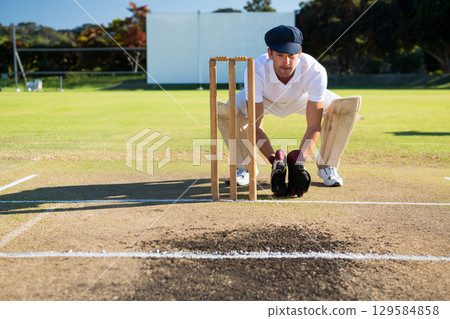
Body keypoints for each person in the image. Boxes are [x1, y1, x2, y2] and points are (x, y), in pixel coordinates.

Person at [217, 25, 361, 197]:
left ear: (300, 53)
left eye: (291, 56)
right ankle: (245, 167)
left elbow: (314, 126)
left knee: (345, 107)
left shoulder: (315, 70)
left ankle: (327, 166)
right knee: (226, 110)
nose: (286, 62)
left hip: (301, 99)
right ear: (270, 54)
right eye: (280, 55)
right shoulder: (256, 69)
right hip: (266, 99)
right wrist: (274, 161)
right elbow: (256, 127)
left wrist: (298, 161)